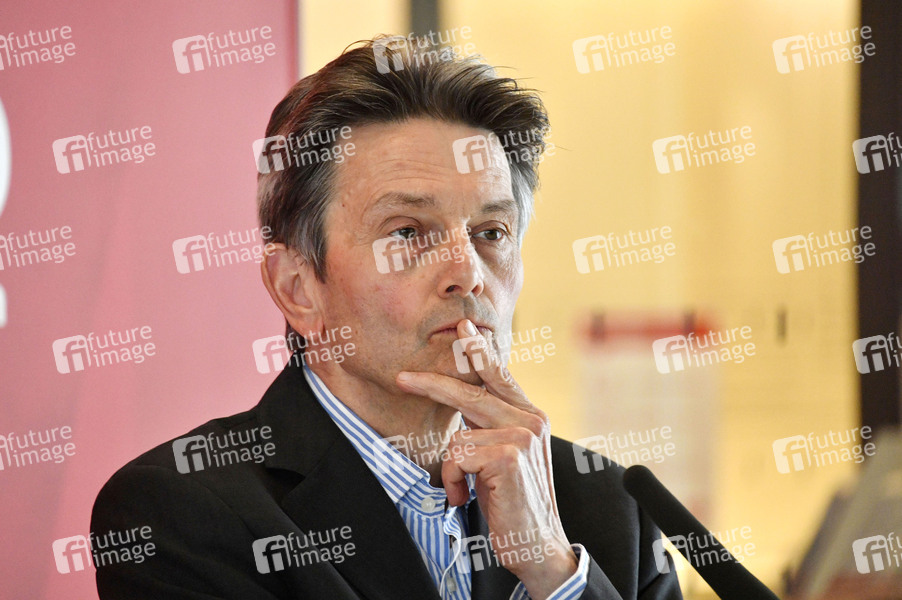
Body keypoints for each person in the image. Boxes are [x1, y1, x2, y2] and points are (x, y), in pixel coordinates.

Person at [91, 36, 682, 600]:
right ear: (298, 289)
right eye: (407, 232)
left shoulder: (609, 509)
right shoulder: (181, 510)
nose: (467, 273)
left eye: (491, 232)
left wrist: (554, 571)